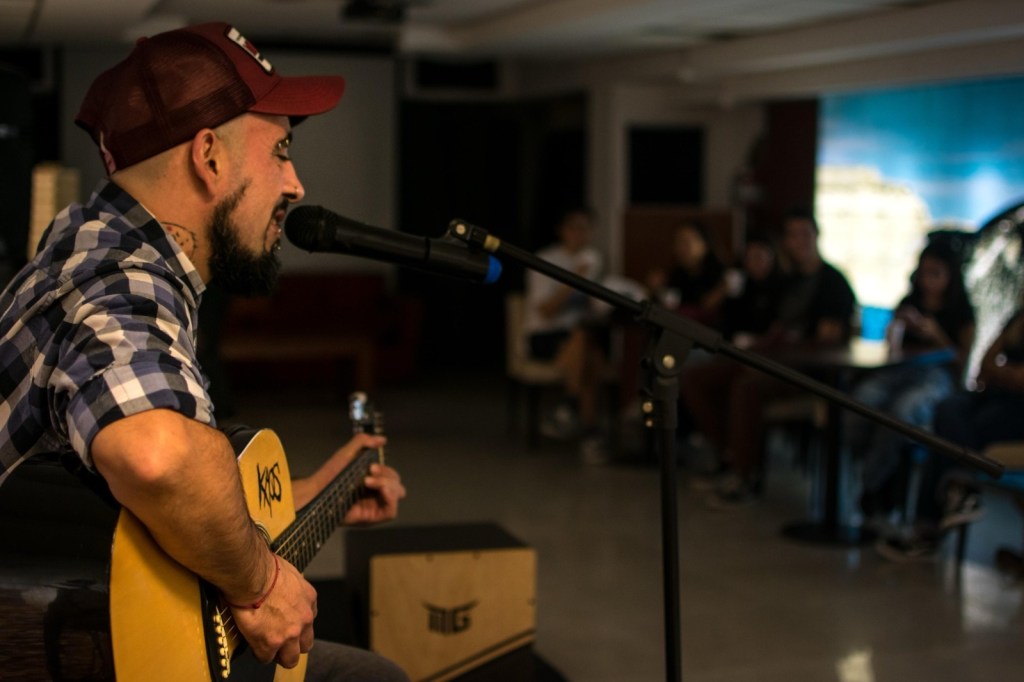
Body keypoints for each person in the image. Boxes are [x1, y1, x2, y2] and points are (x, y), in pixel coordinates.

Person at [0, 22, 408, 680]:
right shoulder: (122, 277)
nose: (296, 185)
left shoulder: (86, 239)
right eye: (281, 150)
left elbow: (147, 512)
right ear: (209, 156)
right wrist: (259, 582)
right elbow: (156, 457)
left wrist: (312, 496)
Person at [680, 209, 856, 507]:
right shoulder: (787, 282)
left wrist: (785, 341)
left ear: (816, 235)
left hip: (806, 372)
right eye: (792, 235)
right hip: (769, 359)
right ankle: (730, 456)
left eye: (804, 233)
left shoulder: (833, 283)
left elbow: (827, 341)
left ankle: (743, 476)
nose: (798, 241)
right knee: (694, 377)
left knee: (746, 387)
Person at [877, 308, 1024, 561]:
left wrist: (1002, 373)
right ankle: (961, 490)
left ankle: (927, 528)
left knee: (949, 437)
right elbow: (986, 361)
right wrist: (1008, 374)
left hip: (1015, 407)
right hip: (997, 396)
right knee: (947, 408)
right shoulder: (1019, 316)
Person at [846, 240, 975, 528]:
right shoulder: (909, 302)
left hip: (936, 376)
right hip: (898, 371)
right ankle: (873, 482)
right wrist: (898, 327)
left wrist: (936, 334)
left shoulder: (961, 312)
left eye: (936, 273)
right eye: (924, 272)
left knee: (900, 414)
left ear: (950, 276)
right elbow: (888, 349)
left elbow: (962, 363)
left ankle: (872, 485)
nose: (928, 280)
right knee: (859, 403)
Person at [524, 207, 611, 464]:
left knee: (589, 351)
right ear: (562, 229)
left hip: (578, 334)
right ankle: (591, 434)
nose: (579, 233)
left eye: (585, 227)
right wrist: (576, 277)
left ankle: (569, 408)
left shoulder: (593, 259)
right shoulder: (544, 260)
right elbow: (546, 311)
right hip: (545, 334)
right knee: (588, 350)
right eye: (573, 226)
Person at [645, 220, 727, 325]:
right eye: (678, 242)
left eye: (687, 241)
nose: (682, 247)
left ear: (705, 244)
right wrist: (657, 290)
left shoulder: (722, 273)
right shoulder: (676, 274)